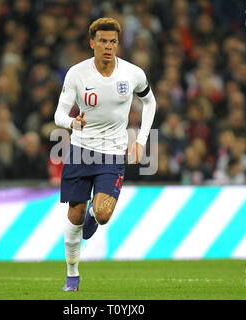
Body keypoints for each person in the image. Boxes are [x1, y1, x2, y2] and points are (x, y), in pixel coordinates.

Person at [54, 18, 156, 292]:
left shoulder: (132, 73)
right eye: (103, 41)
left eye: (113, 41)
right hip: (81, 150)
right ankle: (72, 274)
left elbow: (150, 101)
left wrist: (142, 140)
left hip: (112, 152)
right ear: (92, 43)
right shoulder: (77, 74)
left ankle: (93, 214)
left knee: (102, 214)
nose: (108, 46)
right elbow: (59, 114)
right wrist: (72, 123)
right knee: (74, 215)